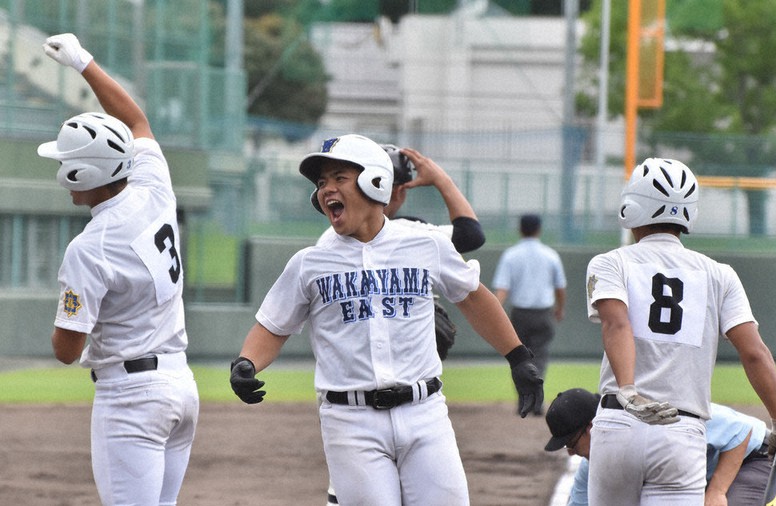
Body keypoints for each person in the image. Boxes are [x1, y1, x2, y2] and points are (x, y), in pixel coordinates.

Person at [228, 134, 544, 505]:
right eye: (322, 183)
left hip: (425, 413)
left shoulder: (424, 243)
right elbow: (273, 326)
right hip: (350, 421)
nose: (327, 189)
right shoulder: (310, 262)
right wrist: (247, 362)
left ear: (375, 181)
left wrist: (518, 356)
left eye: (339, 178)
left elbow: (473, 297)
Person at [37, 33, 199, 505]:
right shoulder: (153, 184)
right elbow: (136, 121)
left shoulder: (90, 248)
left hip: (132, 399)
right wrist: (83, 62)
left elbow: (67, 350)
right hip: (180, 386)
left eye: (67, 162)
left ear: (84, 174)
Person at [584, 157, 776, 504]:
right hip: (681, 434)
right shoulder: (720, 274)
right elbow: (754, 352)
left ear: (631, 206)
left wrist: (628, 389)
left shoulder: (610, 262)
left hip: (619, 422)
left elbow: (616, 323)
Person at [317, 144, 485, 505]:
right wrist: (440, 180)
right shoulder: (416, 232)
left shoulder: (329, 241)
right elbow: (472, 234)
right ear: (397, 191)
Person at [543, 388, 776, 506]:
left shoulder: (656, 422)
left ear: (592, 427)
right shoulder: (593, 467)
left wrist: (717, 492)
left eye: (571, 443)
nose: (570, 452)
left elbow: (742, 431)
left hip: (761, 459)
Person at [492, 213, 566, 415]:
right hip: (543, 314)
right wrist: (560, 308)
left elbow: (502, 289)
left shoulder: (510, 255)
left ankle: (523, 402)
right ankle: (537, 403)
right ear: (539, 229)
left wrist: (495, 312)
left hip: (520, 315)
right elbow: (560, 287)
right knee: (539, 358)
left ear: (520, 229)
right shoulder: (551, 255)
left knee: (519, 358)